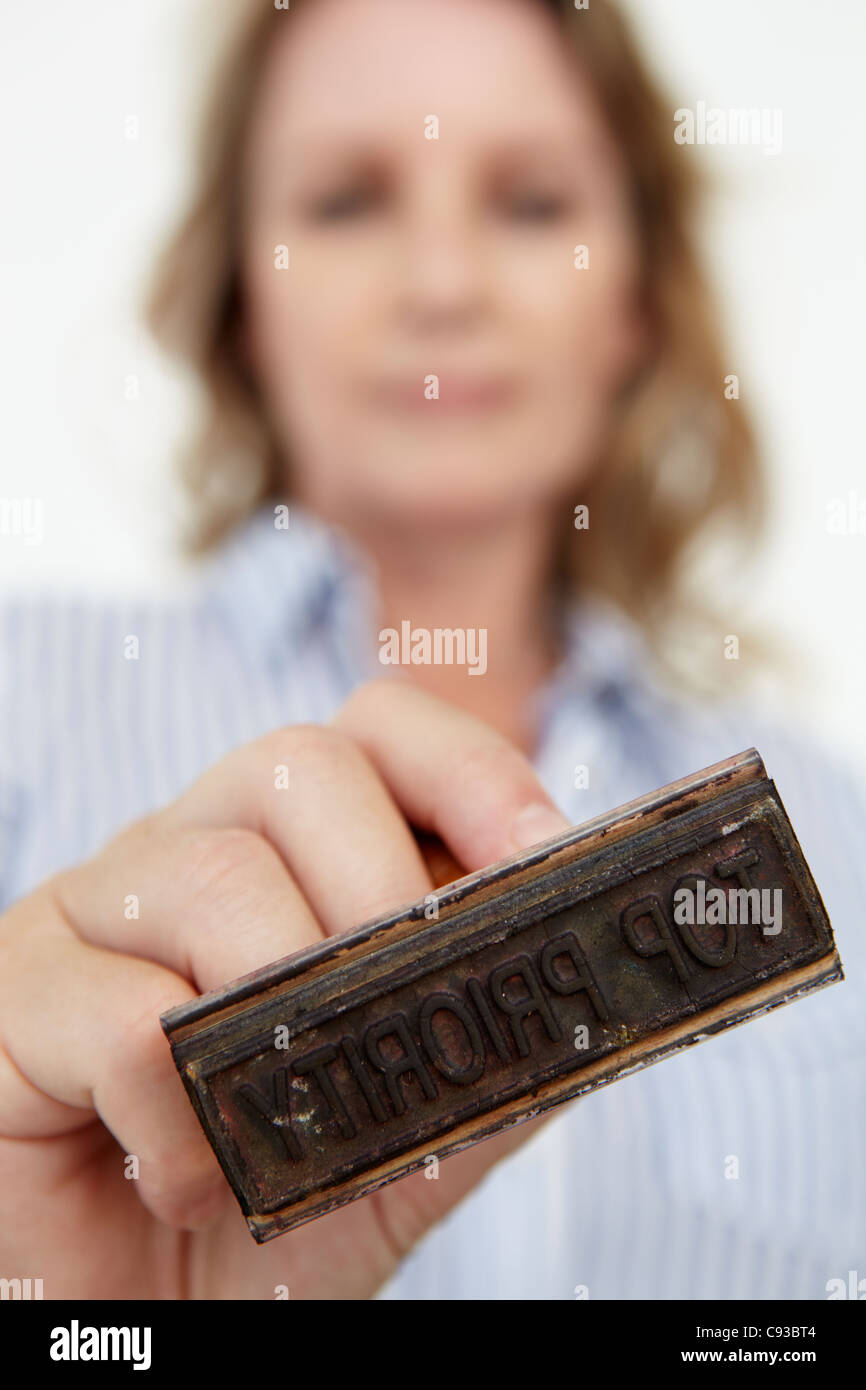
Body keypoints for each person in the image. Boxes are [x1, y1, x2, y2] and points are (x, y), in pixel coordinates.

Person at [0, 0, 863, 1301]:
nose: (443, 283)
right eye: (348, 201)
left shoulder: (836, 828)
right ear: (243, 300)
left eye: (529, 203)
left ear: (631, 299)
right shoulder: (22, 699)